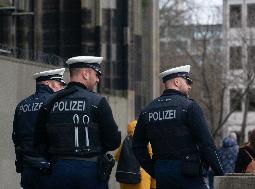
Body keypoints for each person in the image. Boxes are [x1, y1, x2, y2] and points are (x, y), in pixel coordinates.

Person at [34, 56, 121, 189]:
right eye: (96, 74)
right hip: (90, 171)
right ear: (85, 74)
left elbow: (39, 141)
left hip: (58, 170)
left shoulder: (50, 102)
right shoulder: (97, 102)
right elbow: (113, 141)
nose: (98, 79)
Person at [132, 65, 224, 189]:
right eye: (187, 82)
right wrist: (220, 172)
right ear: (177, 82)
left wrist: (154, 169)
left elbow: (137, 146)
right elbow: (206, 144)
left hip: (162, 174)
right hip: (189, 173)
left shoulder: (147, 111)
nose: (189, 86)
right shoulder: (189, 107)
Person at [12, 68, 66, 189]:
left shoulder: (22, 105)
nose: (62, 88)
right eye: (59, 84)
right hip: (48, 168)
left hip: (27, 168)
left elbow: (16, 137)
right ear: (48, 83)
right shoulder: (55, 103)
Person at [115, 120, 156, 189]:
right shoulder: (147, 143)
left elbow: (116, 157)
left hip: (126, 179)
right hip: (142, 180)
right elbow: (153, 162)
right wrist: (154, 185)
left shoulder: (125, 142)